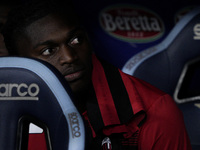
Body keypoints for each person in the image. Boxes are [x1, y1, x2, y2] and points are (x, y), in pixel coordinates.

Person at [2, 0, 192, 149]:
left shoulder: (154, 112)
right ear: (21, 63)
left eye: (76, 40)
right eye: (48, 50)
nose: (69, 57)